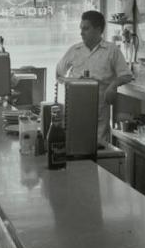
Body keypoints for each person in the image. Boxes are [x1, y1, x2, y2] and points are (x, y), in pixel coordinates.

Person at [56, 10, 133, 146]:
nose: (81, 32)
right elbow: (59, 74)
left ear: (98, 29)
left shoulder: (112, 50)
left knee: (98, 149)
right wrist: (73, 84)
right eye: (81, 28)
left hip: (100, 111)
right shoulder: (75, 50)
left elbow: (126, 75)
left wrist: (113, 85)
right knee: (74, 147)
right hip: (75, 109)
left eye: (86, 28)